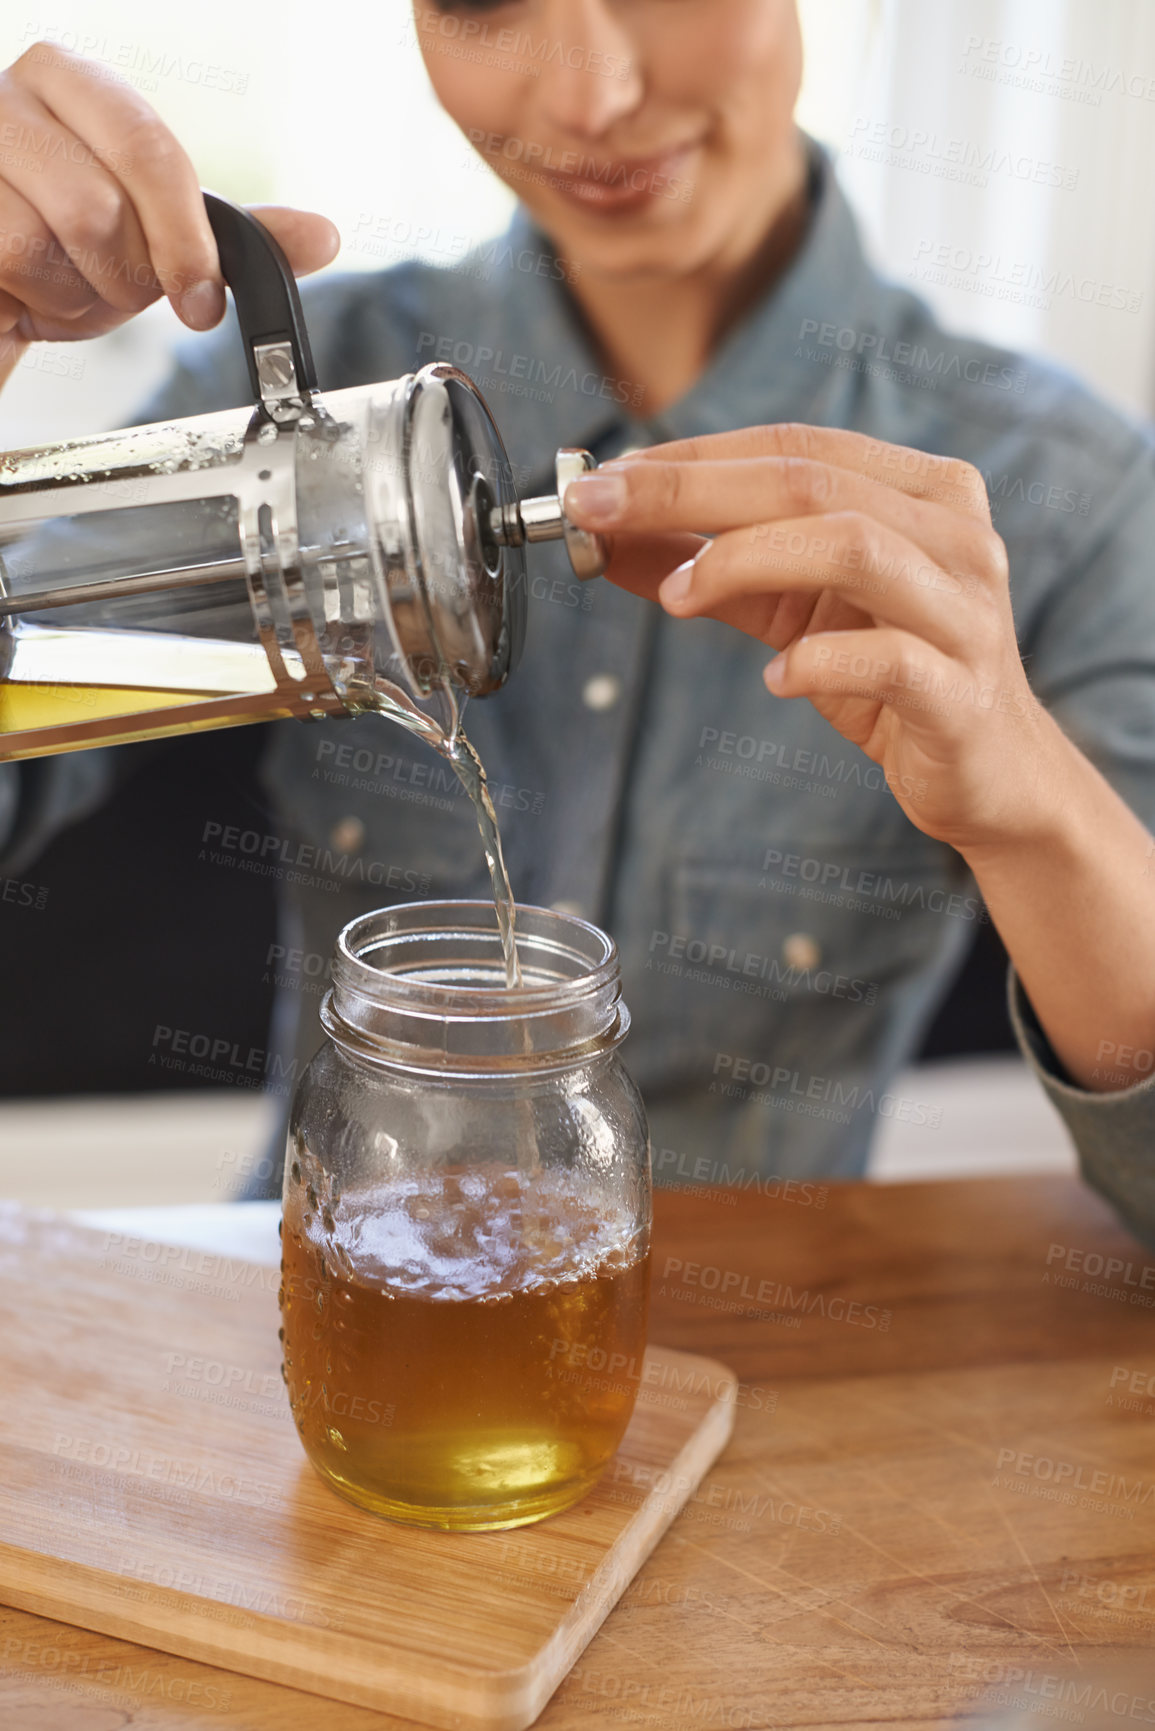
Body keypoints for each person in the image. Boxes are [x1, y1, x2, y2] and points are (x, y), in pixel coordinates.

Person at [1, 3, 1154, 1242]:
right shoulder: (299, 405)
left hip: (789, 1354)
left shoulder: (1058, 489)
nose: (593, 95)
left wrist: (1027, 797)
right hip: (329, 1304)